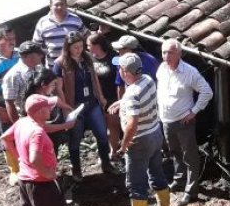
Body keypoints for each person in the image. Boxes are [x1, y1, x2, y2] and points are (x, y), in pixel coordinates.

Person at [1, 94, 76, 206]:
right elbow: (34, 158)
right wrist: (47, 173)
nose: (51, 109)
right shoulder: (37, 132)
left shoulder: (22, 123)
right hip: (41, 182)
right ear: (40, 111)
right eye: (48, 107)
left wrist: (18, 158)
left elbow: (4, 138)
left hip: (25, 179)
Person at [108, 53, 170, 206]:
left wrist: (124, 145)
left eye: (120, 68)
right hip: (155, 134)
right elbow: (138, 97)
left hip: (140, 141)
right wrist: (122, 102)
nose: (119, 71)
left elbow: (132, 124)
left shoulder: (132, 95)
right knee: (157, 172)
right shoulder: (148, 80)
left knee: (136, 183)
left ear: (126, 72)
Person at [157, 39, 213, 205]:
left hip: (183, 122)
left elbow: (207, 92)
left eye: (170, 52)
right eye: (164, 52)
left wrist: (193, 112)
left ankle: (191, 190)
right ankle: (179, 180)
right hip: (166, 120)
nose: (166, 56)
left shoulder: (189, 72)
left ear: (179, 53)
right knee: (174, 152)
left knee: (190, 156)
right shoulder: (161, 69)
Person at [54, 32, 115, 178]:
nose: (79, 50)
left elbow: (94, 79)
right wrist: (65, 108)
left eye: (81, 46)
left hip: (92, 103)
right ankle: (76, 169)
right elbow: (58, 89)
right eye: (75, 47)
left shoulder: (87, 58)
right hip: (74, 106)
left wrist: (100, 97)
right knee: (75, 139)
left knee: (102, 135)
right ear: (67, 48)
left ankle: (106, 163)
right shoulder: (60, 63)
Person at [88, 32, 124, 162]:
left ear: (97, 45)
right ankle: (105, 151)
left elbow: (121, 78)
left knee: (113, 126)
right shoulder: (89, 59)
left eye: (89, 45)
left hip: (112, 97)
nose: (87, 48)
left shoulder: (114, 57)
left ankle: (114, 152)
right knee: (101, 128)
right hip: (97, 98)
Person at [33, 0, 85, 64]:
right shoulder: (42, 22)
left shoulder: (75, 19)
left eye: (62, 4)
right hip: (53, 66)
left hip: (75, 65)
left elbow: (86, 35)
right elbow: (36, 45)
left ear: (66, 6)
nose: (59, 7)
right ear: (50, 7)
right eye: (56, 5)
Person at [3, 41, 46, 122]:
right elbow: (10, 103)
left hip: (41, 115)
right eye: (39, 54)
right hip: (26, 119)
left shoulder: (39, 66)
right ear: (30, 56)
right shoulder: (13, 76)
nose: (42, 56)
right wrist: (19, 126)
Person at [111, 35, 159, 99]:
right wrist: (121, 103)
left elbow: (159, 81)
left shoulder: (151, 60)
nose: (119, 51)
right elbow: (121, 86)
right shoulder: (121, 62)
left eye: (121, 49)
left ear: (129, 50)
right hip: (132, 98)